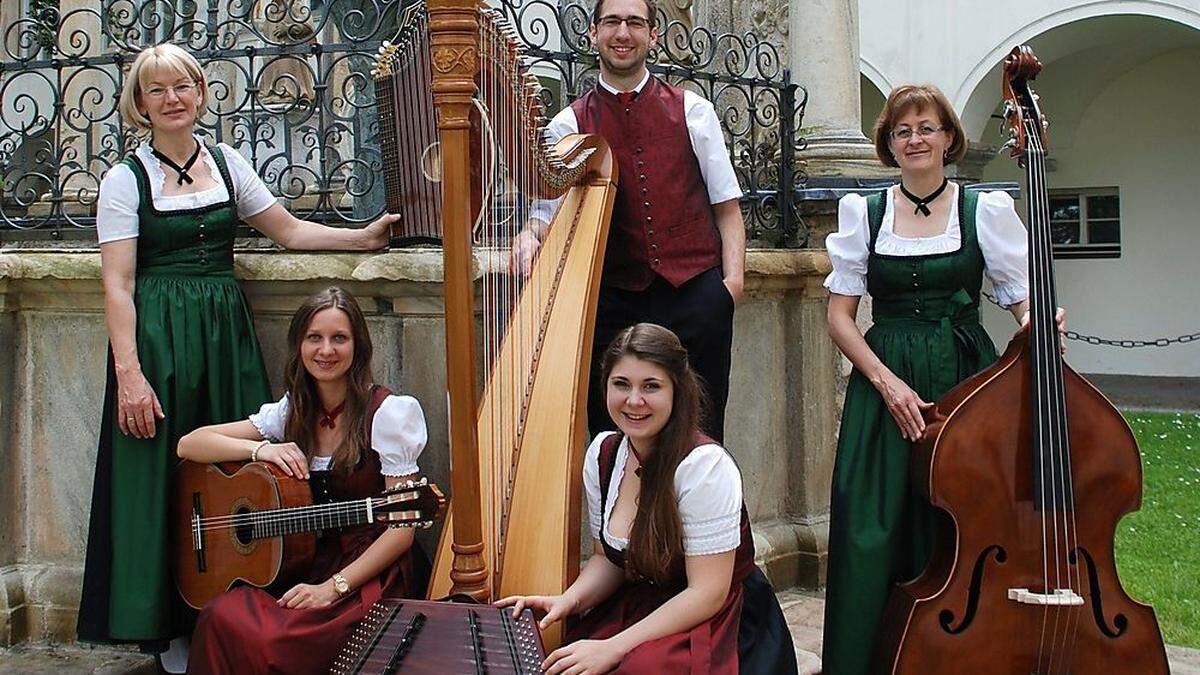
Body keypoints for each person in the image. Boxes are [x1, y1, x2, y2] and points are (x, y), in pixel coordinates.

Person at [76, 43, 398, 670]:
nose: (173, 99)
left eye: (184, 86)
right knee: (156, 480)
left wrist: (359, 237)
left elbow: (289, 231)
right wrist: (129, 375)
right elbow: (117, 284)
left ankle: (223, 611)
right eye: (158, 90)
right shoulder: (124, 179)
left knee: (230, 480)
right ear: (139, 104)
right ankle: (164, 628)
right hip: (158, 343)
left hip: (224, 334)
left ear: (200, 92)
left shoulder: (227, 162)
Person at [820, 84, 1065, 674]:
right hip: (886, 385)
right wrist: (887, 383)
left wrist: (1041, 319)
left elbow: (1018, 301)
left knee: (964, 515)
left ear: (949, 137)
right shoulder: (865, 212)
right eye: (903, 131)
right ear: (889, 144)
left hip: (964, 379)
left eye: (927, 127)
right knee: (869, 525)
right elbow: (839, 316)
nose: (916, 139)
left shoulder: (986, 210)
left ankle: (962, 654)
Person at [498, 323, 796, 674]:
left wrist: (613, 647)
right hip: (643, 603)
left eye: (651, 386)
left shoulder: (704, 467)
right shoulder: (603, 454)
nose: (634, 401)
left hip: (714, 618)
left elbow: (707, 594)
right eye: (621, 384)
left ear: (676, 391)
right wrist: (569, 600)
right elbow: (609, 560)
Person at [512, 0, 745, 442]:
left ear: (653, 35)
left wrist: (729, 288)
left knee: (702, 433)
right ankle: (619, 513)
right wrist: (527, 236)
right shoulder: (568, 122)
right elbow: (545, 210)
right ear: (593, 33)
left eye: (635, 22)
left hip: (695, 294)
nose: (623, 32)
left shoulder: (693, 110)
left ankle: (701, 514)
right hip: (611, 302)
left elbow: (727, 208)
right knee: (613, 435)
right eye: (612, 22)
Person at [178, 287, 429, 674]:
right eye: (315, 338)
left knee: (277, 641)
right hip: (305, 562)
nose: (325, 350)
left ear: (357, 346)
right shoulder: (292, 411)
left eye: (338, 338)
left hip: (368, 573)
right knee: (220, 614)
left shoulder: (389, 414)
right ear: (299, 345)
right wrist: (261, 451)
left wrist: (332, 588)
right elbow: (189, 444)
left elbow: (402, 532)